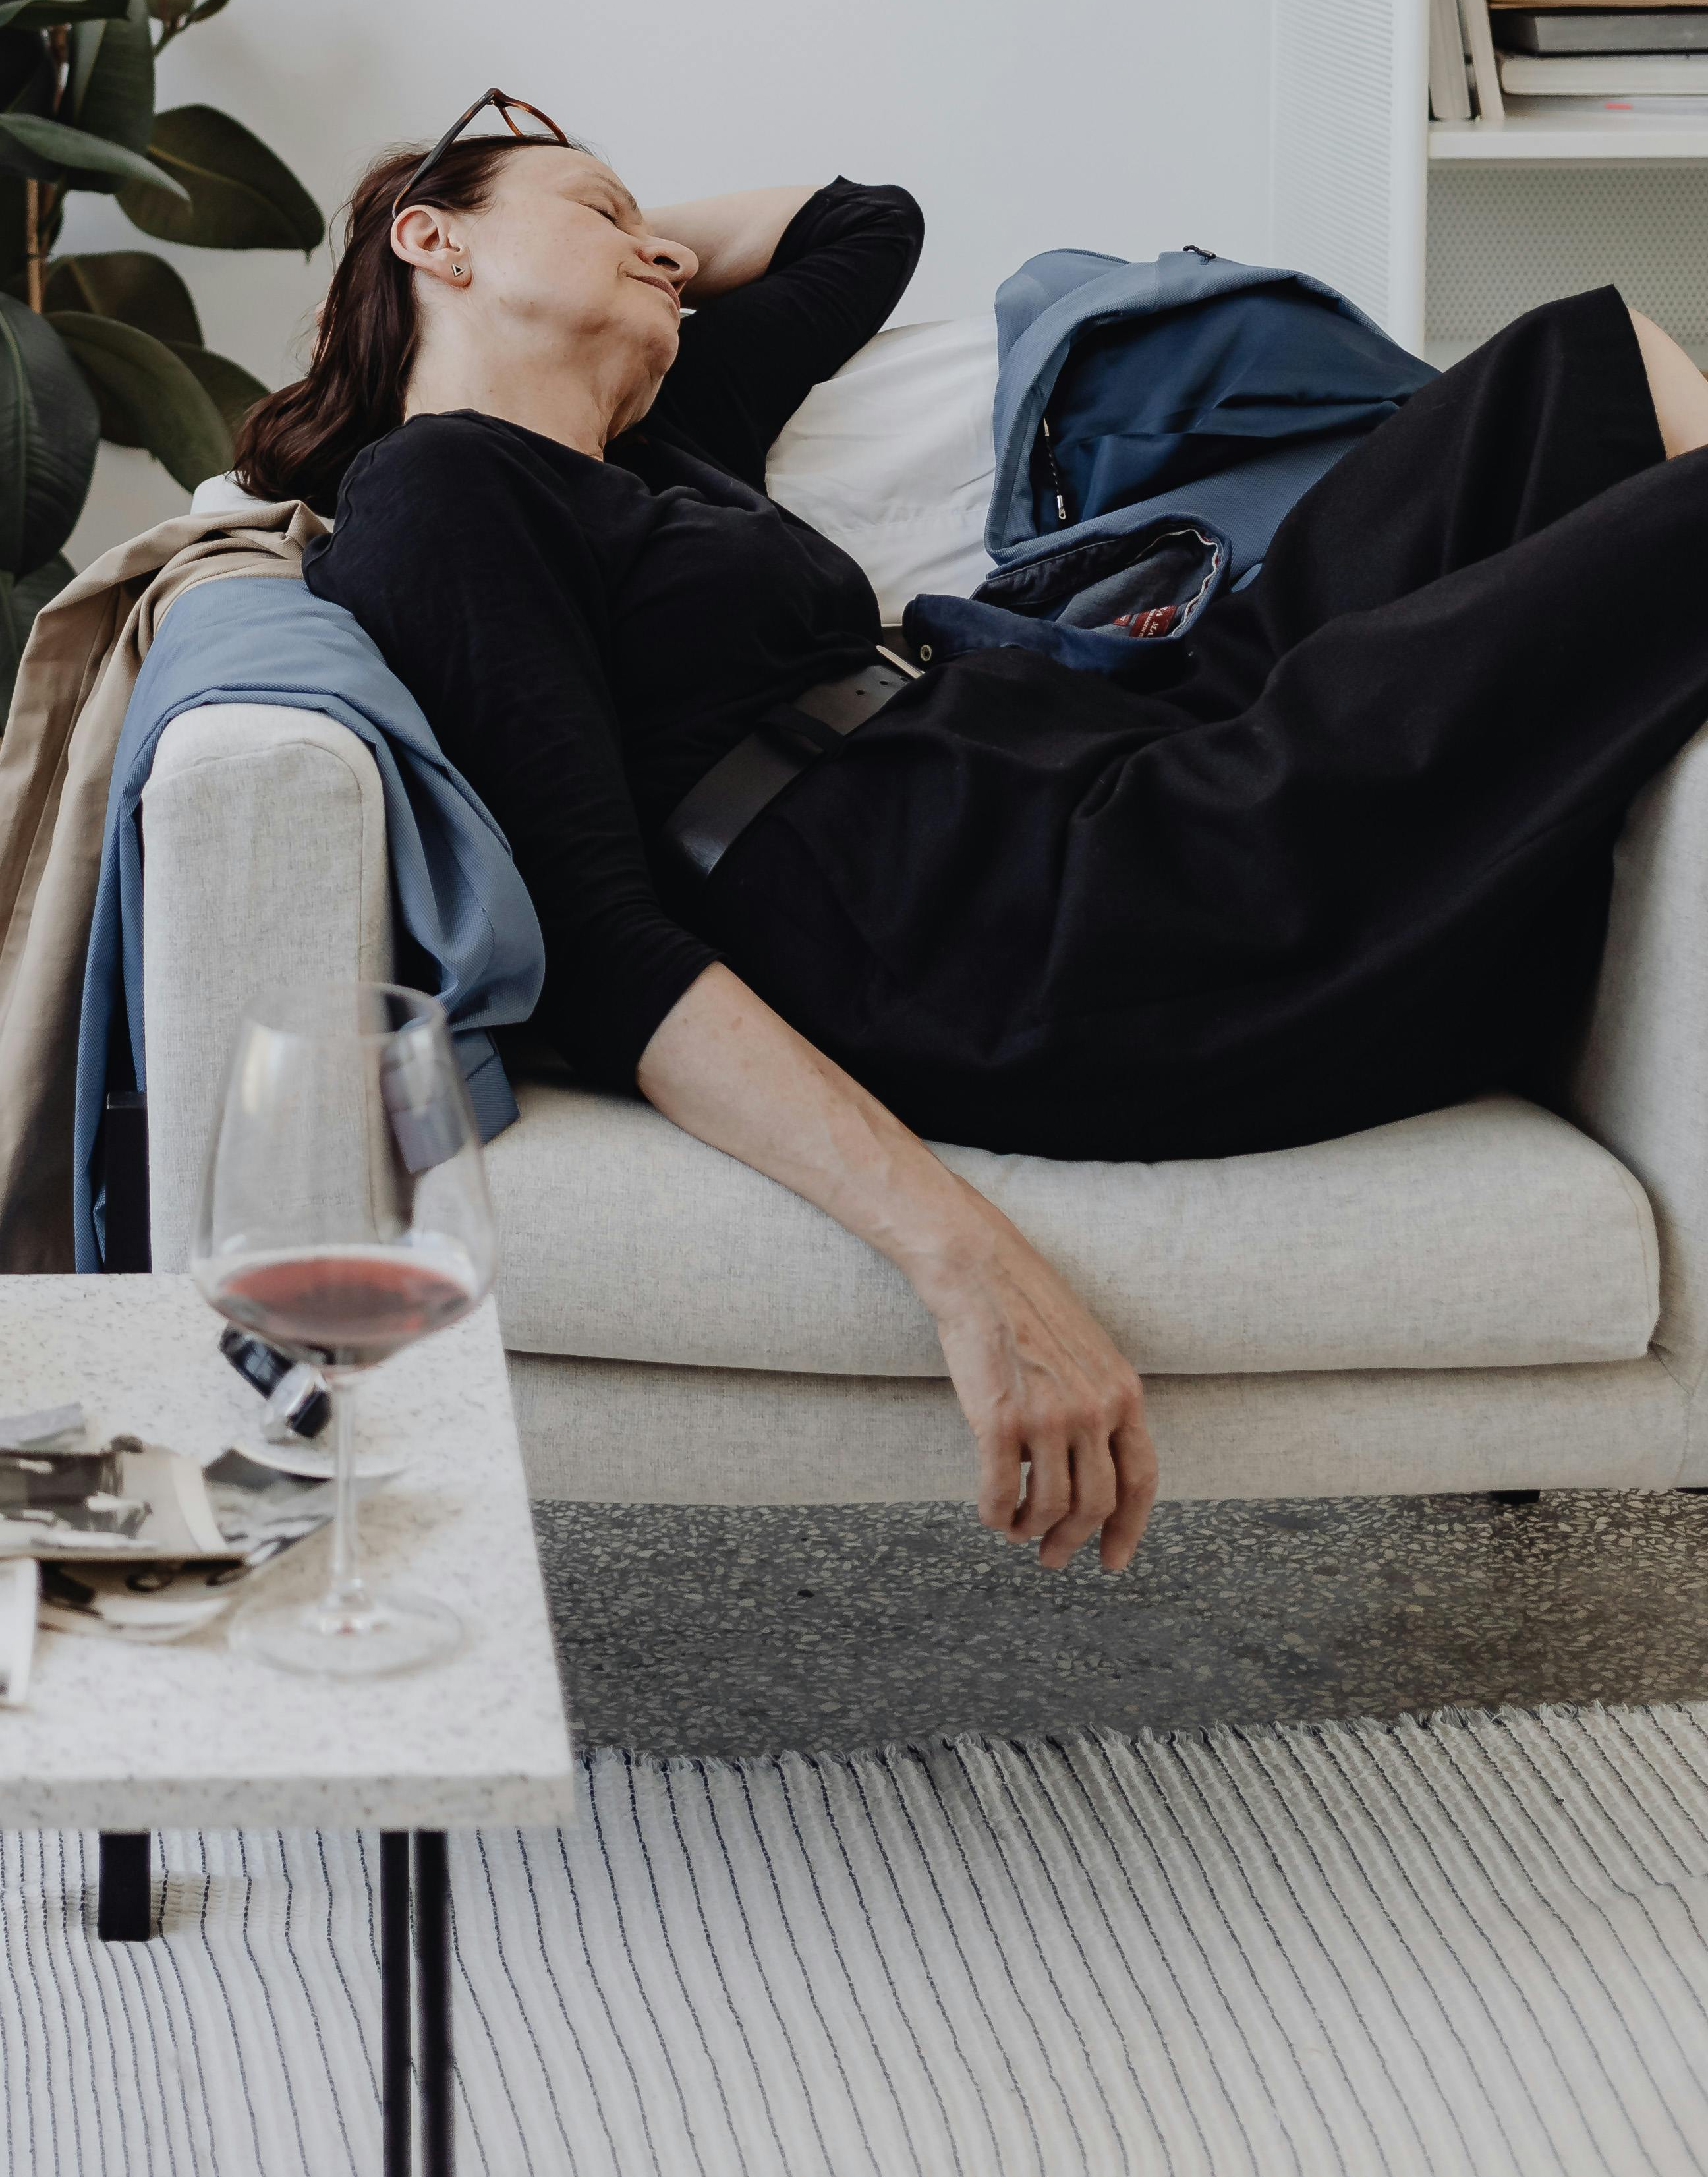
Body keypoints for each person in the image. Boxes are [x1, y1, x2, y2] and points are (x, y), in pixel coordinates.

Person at [234, 100, 1708, 1586]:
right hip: (1007, 916)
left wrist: (616, 263)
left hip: (1088, 753)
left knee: (1574, 362)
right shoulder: (439, 494)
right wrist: (966, 1259)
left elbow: (855, 225)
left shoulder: (662, 442)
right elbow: (601, 949)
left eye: (656, 230)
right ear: (434, 241)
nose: (665, 251)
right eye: (603, 211)